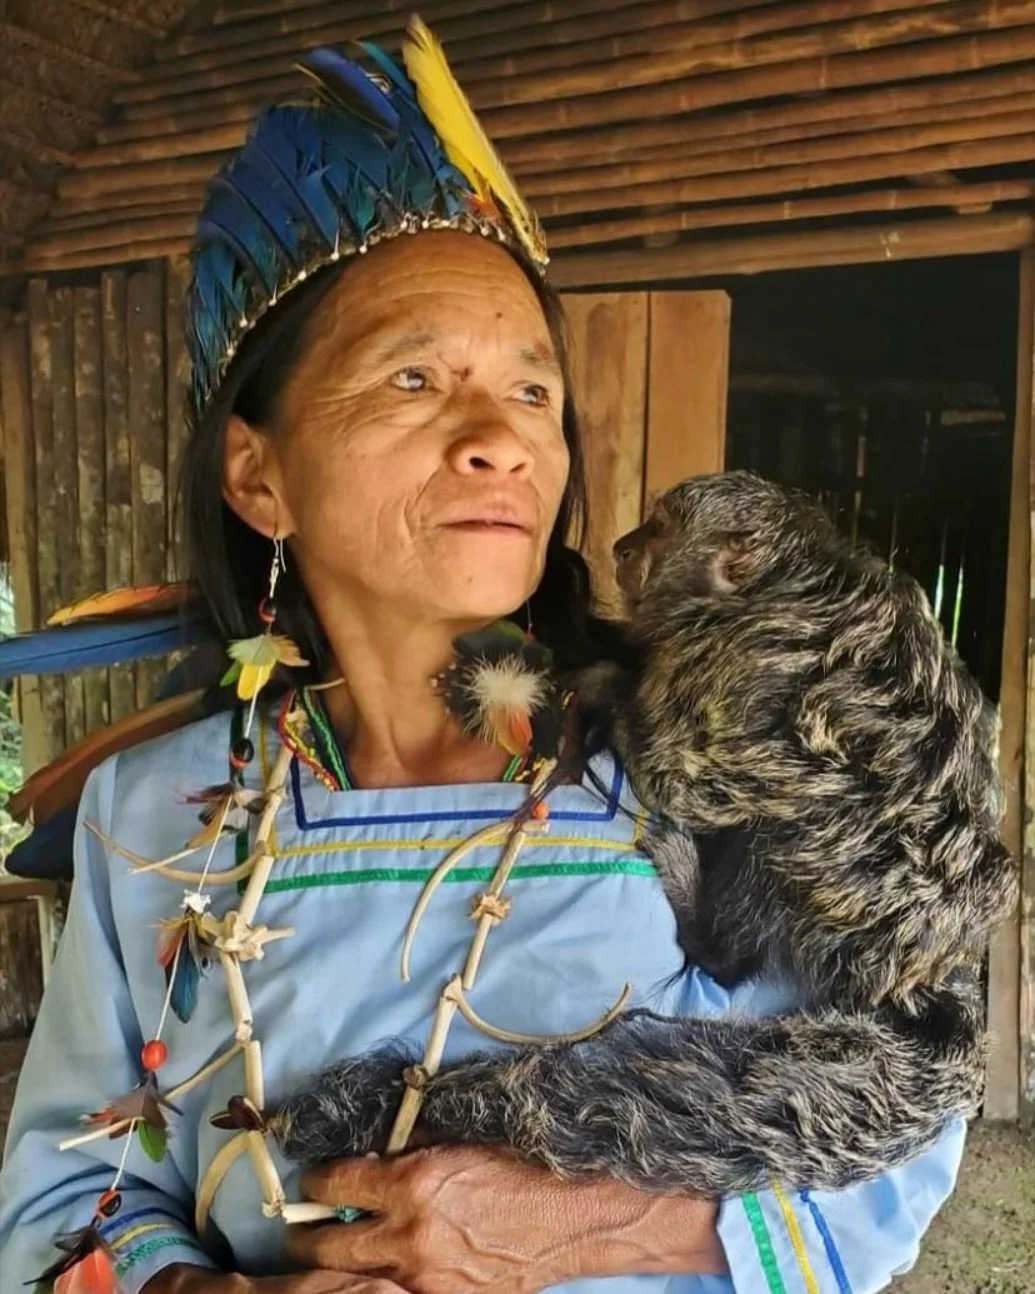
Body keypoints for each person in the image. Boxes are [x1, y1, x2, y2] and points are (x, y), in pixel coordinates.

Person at [0, 19, 964, 1294]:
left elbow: (910, 1106)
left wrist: (602, 1226)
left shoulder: (706, 779)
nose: (498, 437)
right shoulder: (155, 819)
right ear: (258, 473)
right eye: (411, 378)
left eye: (531, 391)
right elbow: (70, 1190)